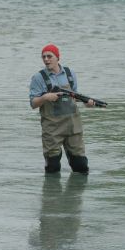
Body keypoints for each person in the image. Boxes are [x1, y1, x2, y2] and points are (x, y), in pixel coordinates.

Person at [29, 44, 94, 174]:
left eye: (49, 56)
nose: (46, 59)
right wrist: (46, 97)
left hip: (73, 126)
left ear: (57, 57)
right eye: (44, 57)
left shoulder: (70, 74)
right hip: (52, 129)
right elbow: (33, 103)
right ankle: (52, 193)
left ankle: (75, 194)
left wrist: (87, 103)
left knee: (80, 166)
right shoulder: (38, 78)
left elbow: (74, 97)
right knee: (52, 167)